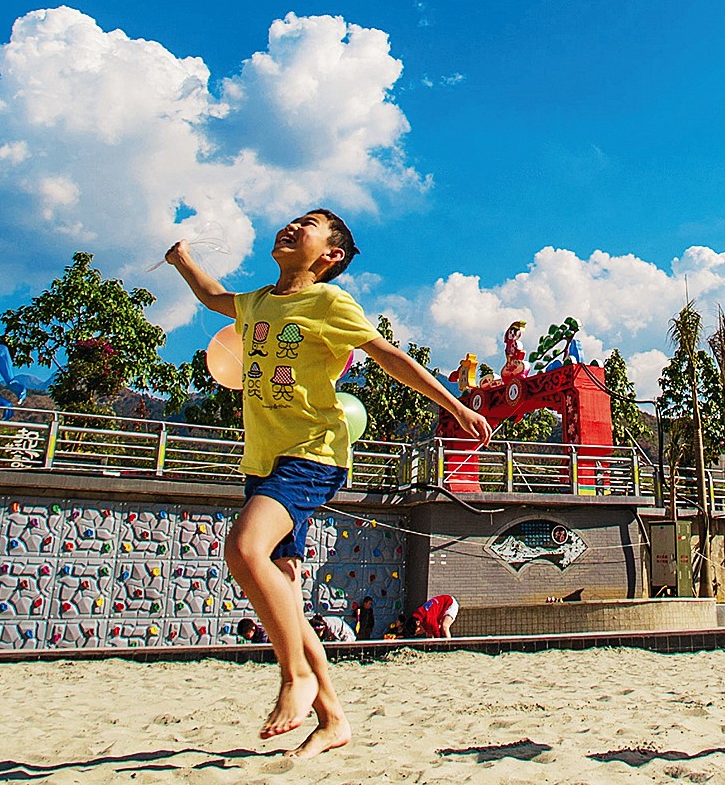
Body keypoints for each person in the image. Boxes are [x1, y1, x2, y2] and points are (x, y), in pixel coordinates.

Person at [166, 210, 492, 757]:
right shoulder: (259, 303)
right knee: (286, 590)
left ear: (330, 255)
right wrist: (183, 261)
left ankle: (297, 677)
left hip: (311, 455)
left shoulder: (329, 303)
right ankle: (333, 719)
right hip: (263, 460)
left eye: (309, 224)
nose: (292, 226)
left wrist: (456, 405)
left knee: (245, 551)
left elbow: (389, 356)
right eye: (292, 220)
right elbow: (212, 297)